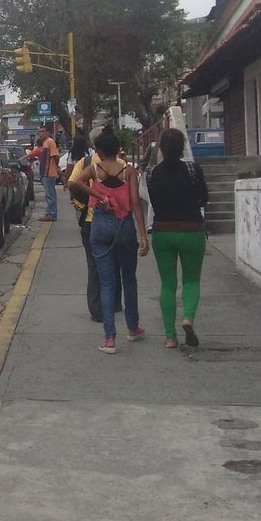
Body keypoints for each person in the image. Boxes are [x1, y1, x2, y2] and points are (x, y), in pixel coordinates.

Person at [67, 128, 149, 353]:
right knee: (129, 279)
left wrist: (98, 196)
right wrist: (143, 236)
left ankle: (109, 338)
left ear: (100, 151)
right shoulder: (129, 171)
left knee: (106, 281)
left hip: (100, 227)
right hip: (124, 227)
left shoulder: (95, 168)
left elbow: (74, 184)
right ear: (118, 150)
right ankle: (133, 328)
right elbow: (135, 204)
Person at [146, 128, 209, 349]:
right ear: (182, 146)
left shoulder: (152, 173)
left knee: (168, 284)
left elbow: (153, 201)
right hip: (192, 230)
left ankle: (170, 337)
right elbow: (204, 198)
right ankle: (188, 318)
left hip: (163, 232)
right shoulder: (193, 170)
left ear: (161, 148)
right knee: (191, 281)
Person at [66, 134, 121, 322]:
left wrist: (93, 196)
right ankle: (115, 303)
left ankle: (97, 310)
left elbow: (72, 183)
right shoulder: (123, 165)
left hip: (91, 221)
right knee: (115, 264)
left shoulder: (87, 162)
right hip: (118, 221)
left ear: (97, 148)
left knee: (95, 267)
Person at [28, 126, 61, 221]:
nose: (41, 133)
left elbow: (55, 156)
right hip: (45, 173)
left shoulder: (50, 141)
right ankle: (49, 213)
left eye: (43, 131)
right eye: (39, 132)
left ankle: (52, 214)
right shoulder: (45, 143)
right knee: (48, 194)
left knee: (50, 194)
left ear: (48, 132)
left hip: (49, 173)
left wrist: (55, 167)